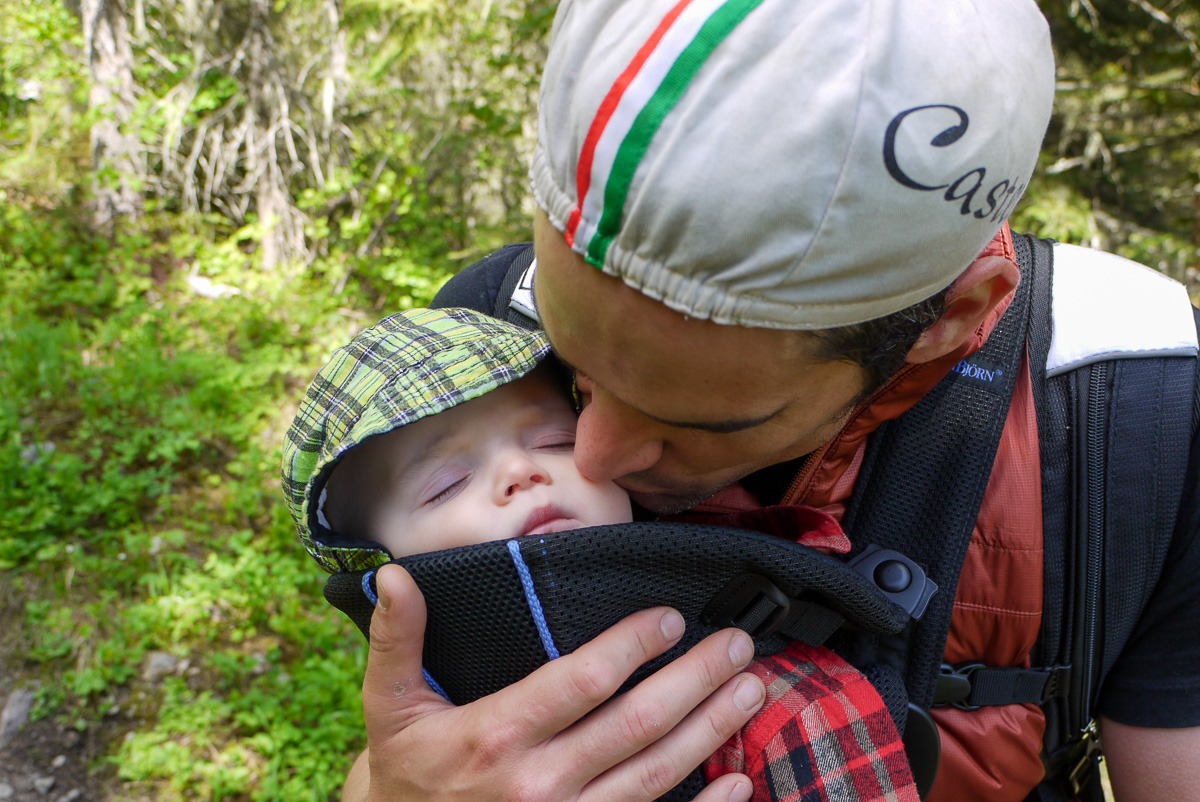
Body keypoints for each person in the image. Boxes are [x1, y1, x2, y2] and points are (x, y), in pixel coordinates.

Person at [341, 0, 1200, 800]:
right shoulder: (488, 336)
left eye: (694, 423)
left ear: (947, 323)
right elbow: (424, 745)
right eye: (577, 377)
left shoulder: (1133, 406)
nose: (591, 455)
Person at [281, 306, 921, 802]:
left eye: (558, 440)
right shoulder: (428, 693)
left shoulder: (774, 692)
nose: (520, 470)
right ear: (377, 568)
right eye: (445, 484)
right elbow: (386, 766)